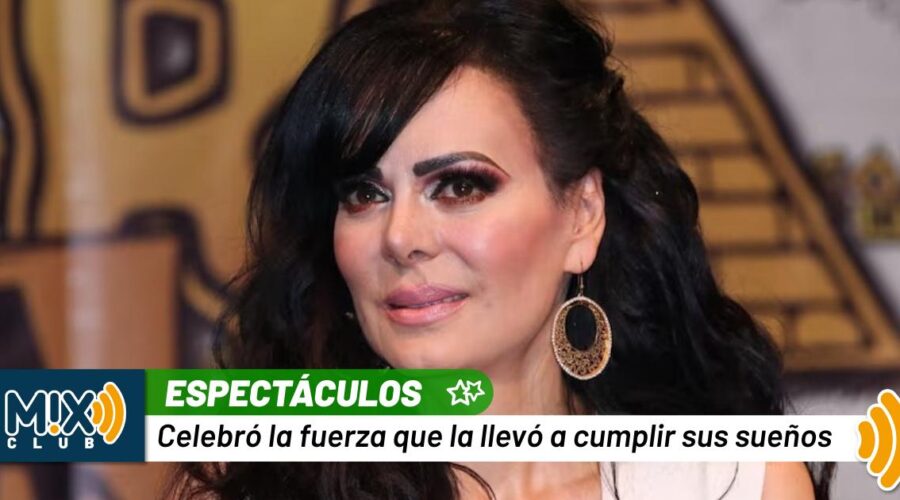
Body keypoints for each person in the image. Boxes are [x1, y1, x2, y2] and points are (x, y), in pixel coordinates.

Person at [172, 0, 834, 498]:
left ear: (582, 214)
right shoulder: (260, 484)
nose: (400, 238)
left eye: (460, 186)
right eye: (364, 194)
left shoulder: (729, 482)